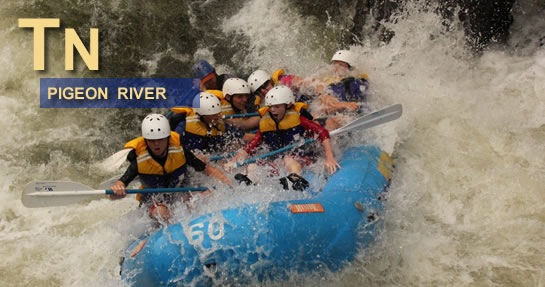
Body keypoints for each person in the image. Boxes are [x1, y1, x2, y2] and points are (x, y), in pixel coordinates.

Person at [109, 113, 232, 222]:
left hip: (181, 195)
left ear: (168, 138)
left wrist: (228, 183)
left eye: (160, 139)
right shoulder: (139, 161)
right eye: (151, 140)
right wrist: (117, 191)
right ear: (146, 141)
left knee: (206, 194)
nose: (156, 144)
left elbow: (207, 169)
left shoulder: (180, 152)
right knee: (160, 213)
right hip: (156, 203)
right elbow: (117, 189)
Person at [226, 86, 340, 190]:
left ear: (288, 105)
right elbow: (251, 147)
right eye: (270, 107)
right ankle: (252, 185)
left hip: (304, 157)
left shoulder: (299, 119)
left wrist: (329, 157)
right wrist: (233, 161)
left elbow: (323, 133)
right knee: (252, 166)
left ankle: (296, 181)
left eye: (277, 106)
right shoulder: (267, 123)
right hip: (280, 160)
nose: (272, 110)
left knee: (288, 159)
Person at [171, 92, 254, 158]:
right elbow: (175, 150)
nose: (217, 117)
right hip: (194, 157)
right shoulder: (183, 127)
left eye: (217, 113)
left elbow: (244, 136)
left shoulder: (218, 123)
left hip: (211, 153)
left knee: (237, 144)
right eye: (213, 114)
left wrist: (260, 137)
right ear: (202, 115)